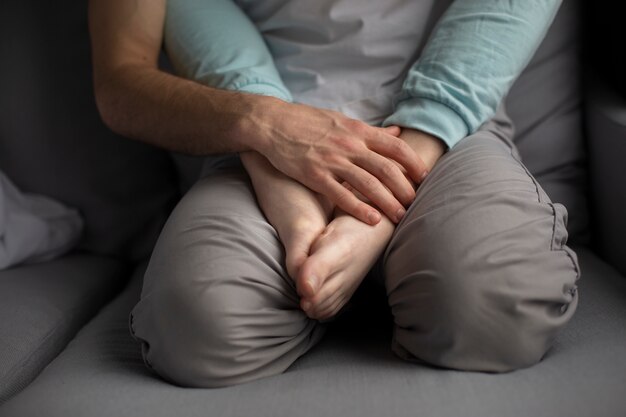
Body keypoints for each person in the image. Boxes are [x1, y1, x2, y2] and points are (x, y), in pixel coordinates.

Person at [88, 0, 580, 388]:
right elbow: (124, 81)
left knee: (492, 309)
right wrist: (270, 144)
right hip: (261, 130)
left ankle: (390, 270)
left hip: (450, 123)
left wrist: (382, 203)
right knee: (194, 328)